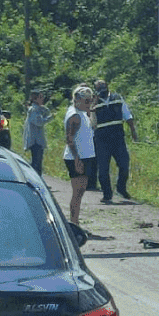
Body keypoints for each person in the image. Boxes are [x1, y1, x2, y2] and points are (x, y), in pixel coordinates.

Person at [91, 78, 139, 203]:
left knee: (124, 164)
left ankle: (121, 188)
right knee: (103, 169)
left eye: (103, 85)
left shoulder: (117, 98)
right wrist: (93, 105)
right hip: (102, 140)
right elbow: (90, 120)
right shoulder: (93, 102)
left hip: (117, 138)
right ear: (95, 89)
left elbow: (127, 115)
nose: (101, 88)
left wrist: (133, 131)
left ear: (107, 86)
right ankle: (107, 194)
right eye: (98, 87)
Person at [63, 86, 97, 227]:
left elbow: (94, 127)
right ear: (77, 100)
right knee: (77, 192)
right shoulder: (75, 116)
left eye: (90, 100)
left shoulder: (84, 113)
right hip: (77, 157)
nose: (89, 103)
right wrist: (77, 159)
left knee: (81, 191)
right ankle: (74, 223)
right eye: (86, 101)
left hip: (86, 155)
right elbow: (69, 139)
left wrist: (91, 111)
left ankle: (75, 220)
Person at [23, 89, 52, 175]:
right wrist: (50, 118)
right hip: (35, 141)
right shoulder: (34, 110)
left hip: (37, 140)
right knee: (36, 163)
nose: (42, 99)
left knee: (37, 162)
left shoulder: (38, 109)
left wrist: (44, 109)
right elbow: (39, 122)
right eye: (40, 97)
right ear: (35, 99)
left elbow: (46, 112)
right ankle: (34, 180)